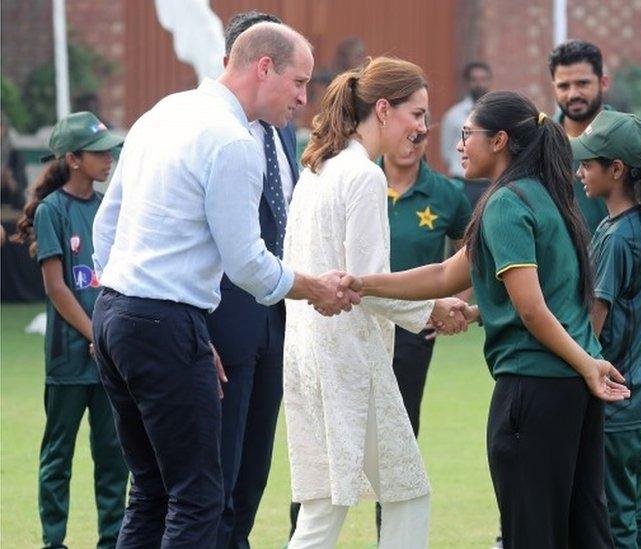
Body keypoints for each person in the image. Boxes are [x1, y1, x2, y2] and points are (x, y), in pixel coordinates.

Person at [90, 23, 357, 547]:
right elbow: (249, 266)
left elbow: (107, 225)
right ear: (264, 68)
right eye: (299, 82)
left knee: (151, 493)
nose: (306, 98)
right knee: (198, 499)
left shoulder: (162, 112)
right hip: (163, 321)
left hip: (116, 314)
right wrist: (316, 288)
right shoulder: (235, 141)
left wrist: (145, 313)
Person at [342, 90, 631, 548]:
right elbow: (445, 274)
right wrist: (360, 284)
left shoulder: (506, 204)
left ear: (498, 141)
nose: (458, 145)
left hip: (534, 387)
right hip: (570, 390)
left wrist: (587, 366)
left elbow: (534, 310)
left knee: (531, 531)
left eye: (465, 134)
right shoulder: (545, 196)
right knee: (584, 528)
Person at [283, 56, 471, 549]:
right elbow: (369, 284)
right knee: (405, 495)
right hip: (349, 358)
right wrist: (433, 309)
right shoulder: (362, 176)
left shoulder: (318, 168)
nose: (423, 127)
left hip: (309, 352)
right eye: (417, 114)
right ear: (383, 109)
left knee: (324, 508)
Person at [204, 11, 302, 549]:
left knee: (255, 466)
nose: (301, 96)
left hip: (277, 321)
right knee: (214, 467)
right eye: (296, 80)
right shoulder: (209, 131)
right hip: (221, 322)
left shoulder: (280, 135)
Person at [12, 111, 127, 549]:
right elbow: (58, 289)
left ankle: (113, 539)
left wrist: (111, 338)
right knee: (58, 456)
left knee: (114, 456)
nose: (108, 159)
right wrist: (96, 335)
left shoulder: (106, 209)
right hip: (68, 359)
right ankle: (54, 541)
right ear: (74, 159)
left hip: (109, 358)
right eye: (99, 153)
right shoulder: (52, 211)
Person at [572, 110, 641, 548]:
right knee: (632, 511)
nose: (579, 172)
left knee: (615, 521)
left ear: (616, 170)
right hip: (637, 389)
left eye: (588, 163)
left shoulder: (618, 236)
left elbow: (593, 324)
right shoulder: (627, 224)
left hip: (616, 396)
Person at [375, 123, 473, 532]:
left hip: (413, 334)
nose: (411, 144)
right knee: (333, 438)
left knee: (398, 439)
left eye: (420, 135)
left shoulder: (447, 194)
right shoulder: (359, 180)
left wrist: (455, 305)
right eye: (405, 133)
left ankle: (390, 535)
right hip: (355, 328)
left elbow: (478, 249)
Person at [549, 39, 612, 234]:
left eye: (582, 83)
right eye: (564, 86)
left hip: (616, 260)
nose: (573, 94)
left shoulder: (629, 138)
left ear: (603, 83)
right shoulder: (540, 142)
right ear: (554, 89)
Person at [441, 61, 492, 179]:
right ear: (467, 83)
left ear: (489, 81)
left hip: (487, 180)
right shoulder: (453, 115)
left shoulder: (498, 113)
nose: (479, 84)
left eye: (483, 79)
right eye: (474, 80)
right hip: (461, 178)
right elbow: (446, 152)